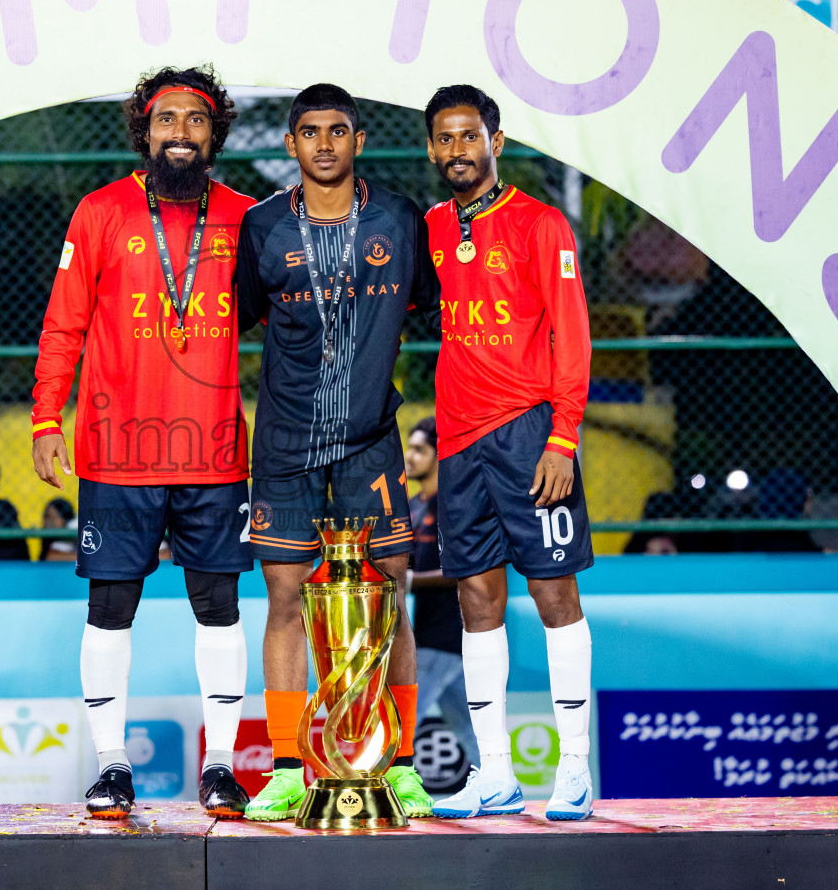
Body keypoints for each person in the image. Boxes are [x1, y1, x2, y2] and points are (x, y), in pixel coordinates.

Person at [30, 65, 254, 820]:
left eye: (196, 121)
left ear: (214, 132)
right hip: (117, 448)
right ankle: (112, 767)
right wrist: (43, 419)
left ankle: (221, 767)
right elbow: (62, 325)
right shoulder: (99, 212)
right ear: (145, 131)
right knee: (111, 605)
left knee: (218, 603)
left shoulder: (249, 218)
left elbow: (291, 323)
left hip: (215, 449)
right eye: (167, 121)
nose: (181, 133)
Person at [234, 84, 438, 821]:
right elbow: (242, 317)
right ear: (291, 145)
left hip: (371, 443)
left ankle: (404, 765)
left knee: (391, 597)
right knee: (284, 600)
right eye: (310, 132)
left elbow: (432, 306)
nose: (324, 143)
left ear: (359, 141)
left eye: (339, 131)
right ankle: (290, 767)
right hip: (285, 447)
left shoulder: (399, 220)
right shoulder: (261, 228)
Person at [422, 85, 596, 821]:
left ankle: (576, 771)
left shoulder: (541, 223)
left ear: (497, 140)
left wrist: (563, 436)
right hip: (459, 441)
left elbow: (574, 336)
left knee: (555, 596)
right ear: (432, 149)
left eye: (470, 136)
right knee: (476, 601)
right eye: (445, 138)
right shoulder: (431, 226)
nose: (458, 149)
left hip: (531, 435)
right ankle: (495, 773)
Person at [405, 417, 480, 766]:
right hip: (427, 633)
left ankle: (383, 788)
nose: (410, 456)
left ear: (439, 454)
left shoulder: (455, 505)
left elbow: (464, 568)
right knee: (469, 727)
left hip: (450, 633)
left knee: (403, 720)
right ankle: (500, 786)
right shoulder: (413, 506)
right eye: (409, 448)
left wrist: (408, 582)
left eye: (420, 449)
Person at [40, 497, 79, 562]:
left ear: (65, 519)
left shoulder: (76, 531)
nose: (47, 522)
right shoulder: (49, 541)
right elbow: (50, 557)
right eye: (46, 517)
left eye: (52, 517)